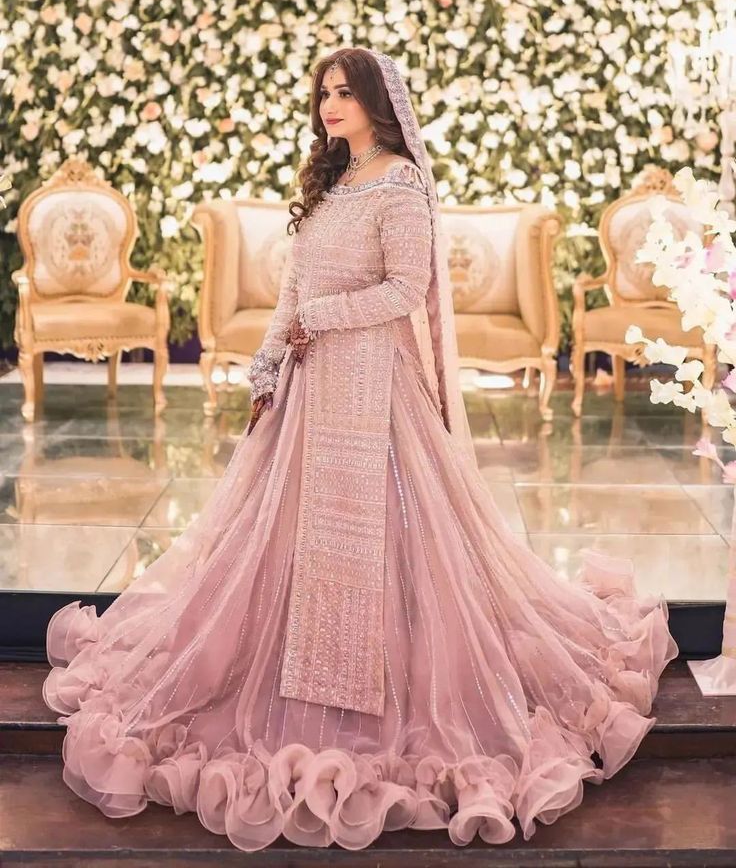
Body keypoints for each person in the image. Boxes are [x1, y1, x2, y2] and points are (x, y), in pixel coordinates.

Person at [42, 47, 678, 853]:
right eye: (323, 92)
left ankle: (389, 700)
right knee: (271, 553)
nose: (329, 104)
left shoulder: (400, 187)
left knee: (404, 550)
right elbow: (293, 293)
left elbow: (403, 294)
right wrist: (269, 363)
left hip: (378, 394)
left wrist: (320, 324)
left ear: (379, 100)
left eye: (344, 92)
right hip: (308, 399)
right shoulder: (328, 183)